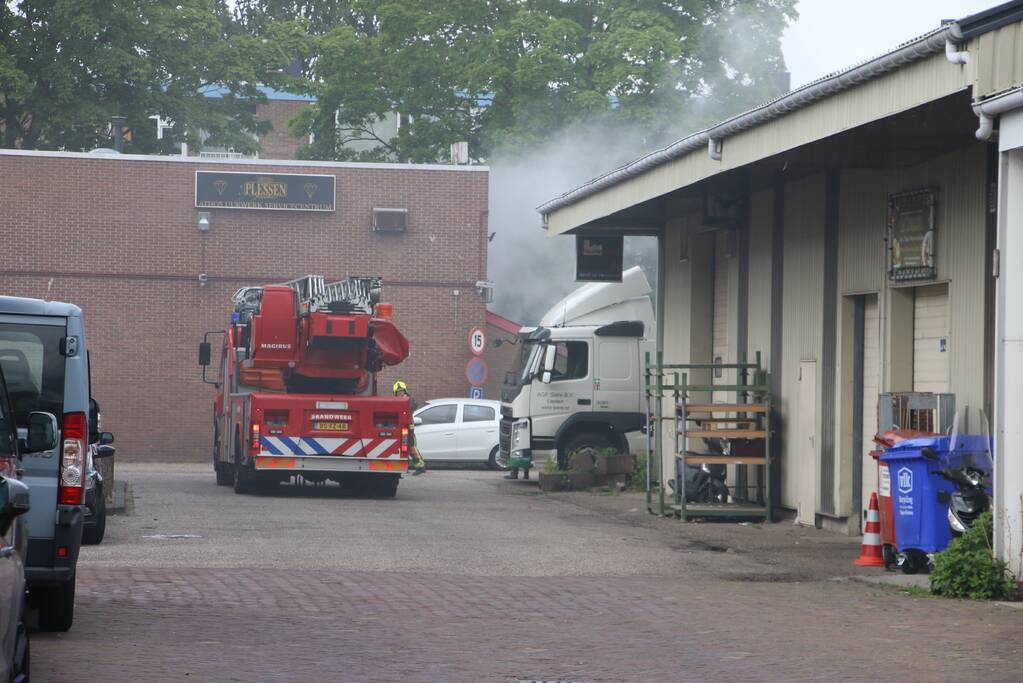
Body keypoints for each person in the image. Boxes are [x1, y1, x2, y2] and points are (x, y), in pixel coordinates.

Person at [393, 380, 427, 475]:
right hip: (401, 428)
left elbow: (413, 405)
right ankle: (406, 466)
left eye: (402, 391)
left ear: (405, 391)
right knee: (404, 448)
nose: (400, 393)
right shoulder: (396, 401)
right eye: (398, 392)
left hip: (409, 428)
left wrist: (405, 399)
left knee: (411, 447)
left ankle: (421, 466)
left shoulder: (410, 400)